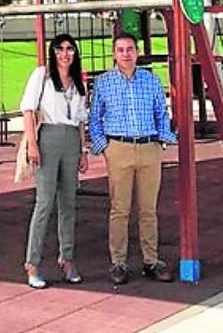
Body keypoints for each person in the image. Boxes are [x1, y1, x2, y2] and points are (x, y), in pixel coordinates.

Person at [88, 33, 177, 285]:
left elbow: (162, 112)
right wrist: (104, 147)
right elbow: (95, 118)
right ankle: (119, 262)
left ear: (137, 52)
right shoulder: (104, 83)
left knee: (149, 209)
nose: (125, 54)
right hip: (119, 147)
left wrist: (162, 140)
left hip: (149, 146)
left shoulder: (150, 80)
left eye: (130, 49)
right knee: (120, 209)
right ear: (114, 54)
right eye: (120, 49)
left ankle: (150, 260)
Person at [19, 34, 89, 289]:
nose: (65, 54)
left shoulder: (78, 82)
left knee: (68, 202)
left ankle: (67, 259)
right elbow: (27, 109)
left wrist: (82, 151)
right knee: (45, 202)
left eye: (70, 49)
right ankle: (32, 263)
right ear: (53, 52)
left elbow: (80, 119)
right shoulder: (42, 75)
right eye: (60, 49)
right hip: (48, 136)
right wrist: (32, 144)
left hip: (71, 138)